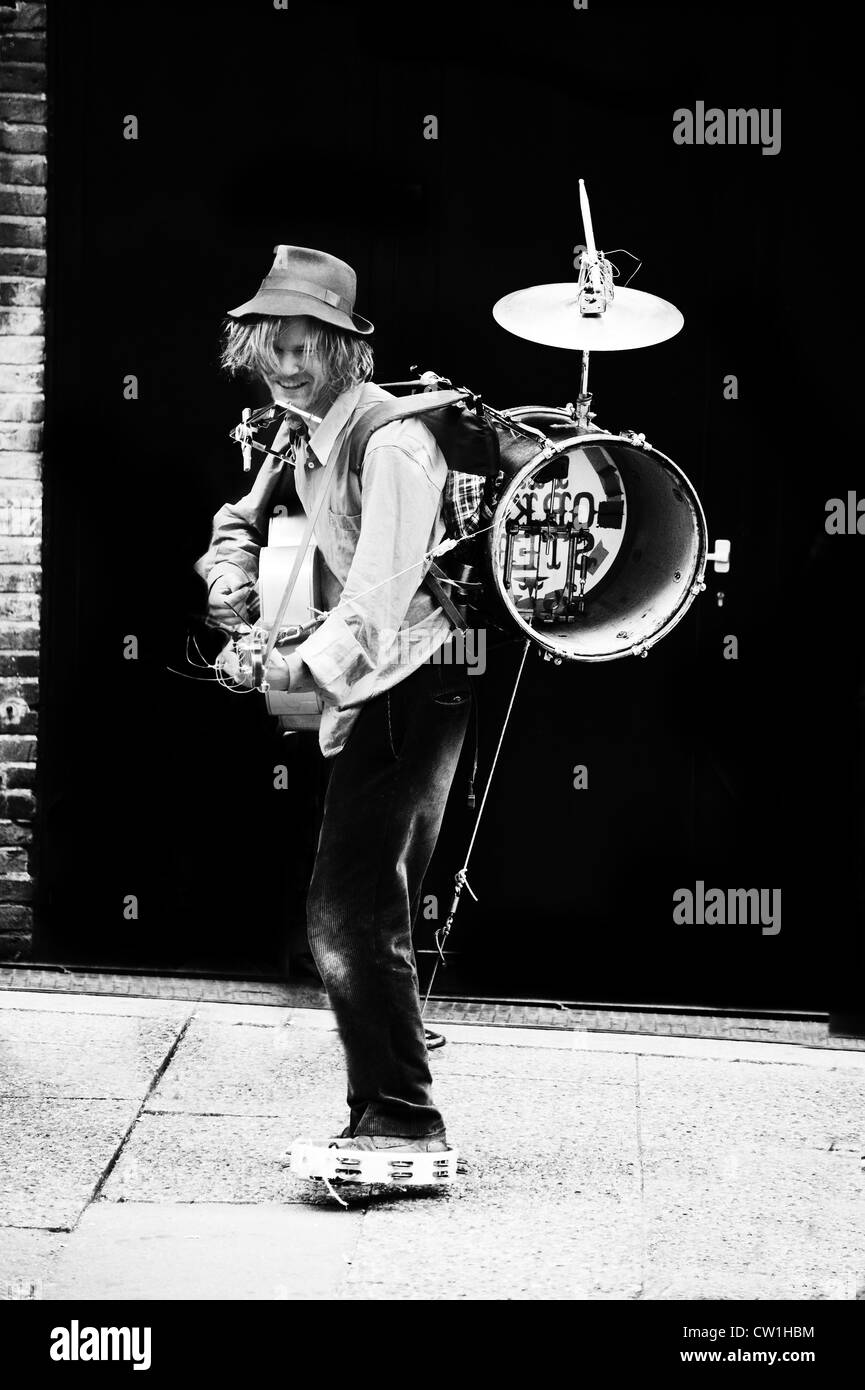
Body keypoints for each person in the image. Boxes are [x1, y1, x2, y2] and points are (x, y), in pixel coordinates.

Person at [195, 245, 479, 1153]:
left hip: (412, 684)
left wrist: (274, 671)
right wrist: (228, 573)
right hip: (374, 683)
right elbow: (239, 518)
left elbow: (375, 608)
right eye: (271, 344)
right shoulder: (294, 427)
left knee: (344, 911)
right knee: (374, 900)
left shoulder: (390, 442)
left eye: (305, 346)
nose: (285, 364)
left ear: (347, 351)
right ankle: (388, 1089)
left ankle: (400, 1118)